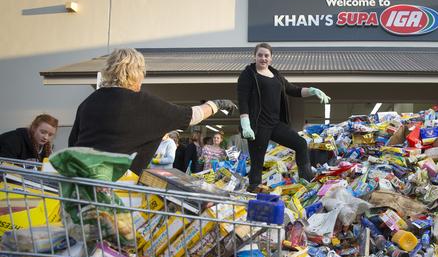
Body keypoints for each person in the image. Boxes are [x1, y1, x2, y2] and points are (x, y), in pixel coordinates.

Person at [68, 48, 237, 175]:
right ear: (138, 74)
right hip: (120, 189)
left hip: (81, 183)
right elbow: (191, 115)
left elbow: (73, 142)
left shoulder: (88, 103)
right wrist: (217, 104)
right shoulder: (145, 104)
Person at [237, 42, 330, 191]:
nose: (263, 58)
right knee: (257, 162)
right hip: (258, 126)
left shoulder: (276, 75)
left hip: (275, 124)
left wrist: (312, 91)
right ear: (254, 56)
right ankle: (254, 192)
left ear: (271, 58)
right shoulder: (248, 74)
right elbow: (243, 100)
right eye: (260, 55)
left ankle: (306, 182)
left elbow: (293, 90)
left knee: (300, 144)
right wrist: (245, 123)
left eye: (266, 55)